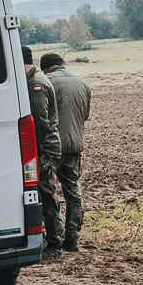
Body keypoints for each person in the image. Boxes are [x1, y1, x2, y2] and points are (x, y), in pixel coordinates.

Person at [38, 52, 91, 252]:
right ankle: (73, 238)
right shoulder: (82, 82)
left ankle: (55, 238)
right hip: (75, 146)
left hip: (51, 148)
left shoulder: (46, 82)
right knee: (73, 191)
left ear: (45, 67)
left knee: (48, 192)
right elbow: (85, 114)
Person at [23, 46, 62, 254]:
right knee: (43, 191)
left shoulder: (36, 84)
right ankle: (50, 240)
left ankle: (55, 243)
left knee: (46, 192)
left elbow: (39, 122)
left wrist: (35, 151)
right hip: (44, 146)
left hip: (45, 147)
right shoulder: (34, 79)